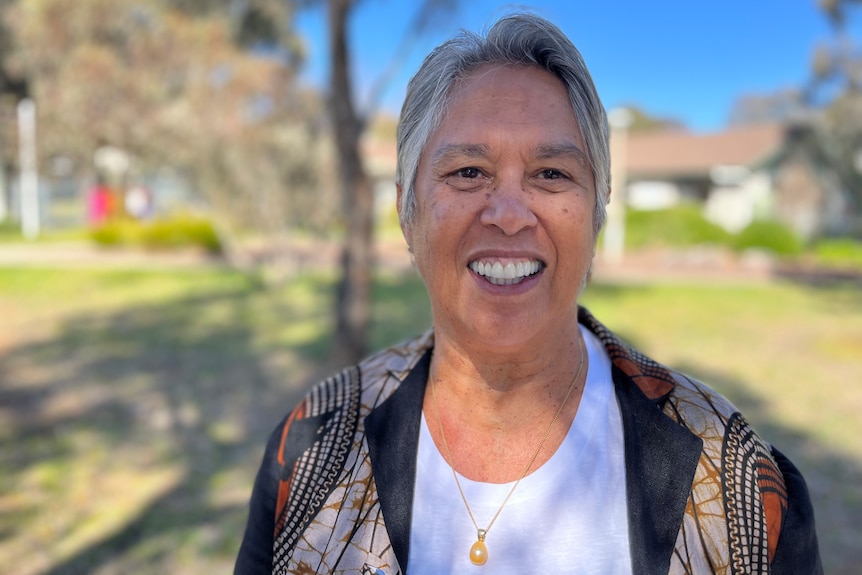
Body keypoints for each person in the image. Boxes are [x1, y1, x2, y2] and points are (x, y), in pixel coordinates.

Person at [235, 13, 822, 574]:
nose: (510, 215)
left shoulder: (735, 481)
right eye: (468, 171)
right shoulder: (312, 449)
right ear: (405, 209)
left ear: (597, 210)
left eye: (551, 174)